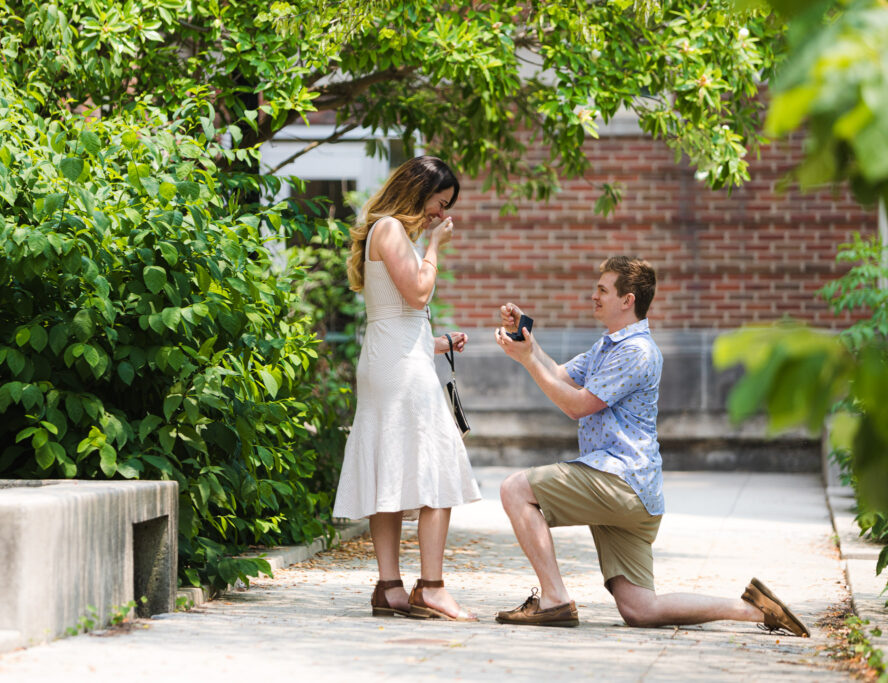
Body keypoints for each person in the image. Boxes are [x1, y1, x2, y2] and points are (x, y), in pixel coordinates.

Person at [491, 256, 809, 637]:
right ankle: (754, 610)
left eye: (602, 290)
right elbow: (559, 375)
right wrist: (529, 343)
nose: (593, 296)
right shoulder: (609, 345)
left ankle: (554, 599)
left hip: (619, 481)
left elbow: (577, 406)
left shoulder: (636, 351)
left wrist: (527, 362)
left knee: (515, 489)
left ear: (627, 300)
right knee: (641, 610)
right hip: (636, 495)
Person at [333, 156, 481, 621]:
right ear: (419, 192)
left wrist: (436, 343)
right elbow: (418, 294)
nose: (441, 215)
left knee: (391, 469)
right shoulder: (393, 229)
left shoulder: (385, 230)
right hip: (399, 368)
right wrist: (435, 247)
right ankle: (432, 588)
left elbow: (395, 315)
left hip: (393, 357)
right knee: (437, 468)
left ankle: (390, 587)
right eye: (440, 203)